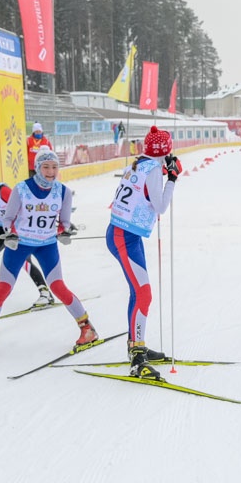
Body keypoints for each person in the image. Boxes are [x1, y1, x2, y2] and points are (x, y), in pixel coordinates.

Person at [0, 147, 97, 355]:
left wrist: (65, 231)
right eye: (46, 167)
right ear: (37, 167)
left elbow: (64, 222)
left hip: (47, 245)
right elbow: (8, 219)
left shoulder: (63, 192)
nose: (51, 171)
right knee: (2, 289)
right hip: (21, 245)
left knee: (58, 287)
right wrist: (9, 232)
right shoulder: (21, 189)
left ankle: (87, 328)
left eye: (55, 167)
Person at [106, 126, 181, 380]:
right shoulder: (153, 172)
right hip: (124, 236)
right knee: (144, 294)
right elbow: (160, 206)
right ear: (166, 150)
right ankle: (137, 359)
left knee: (138, 292)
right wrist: (172, 178)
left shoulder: (139, 163)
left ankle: (136, 345)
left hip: (126, 233)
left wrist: (164, 169)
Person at [0, 166, 53, 307]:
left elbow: (22, 207)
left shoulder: (1, 191)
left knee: (24, 261)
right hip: (2, 227)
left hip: (18, 227)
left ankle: (45, 293)